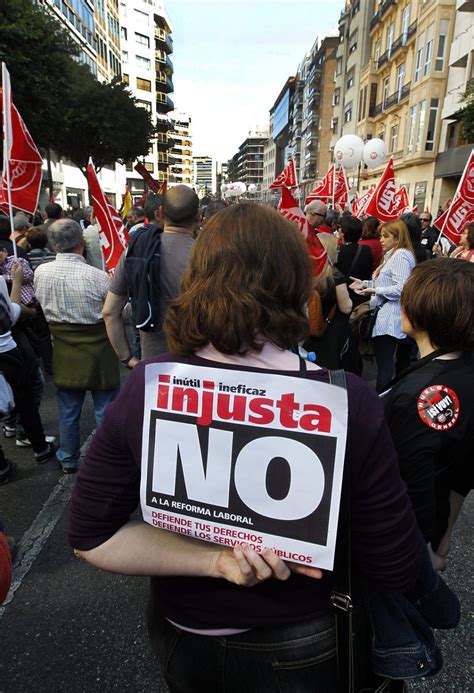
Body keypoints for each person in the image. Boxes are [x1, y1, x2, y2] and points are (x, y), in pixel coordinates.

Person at [70, 203, 423, 693]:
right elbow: (396, 563)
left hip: (185, 636)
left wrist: (212, 560)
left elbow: (91, 538)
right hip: (304, 640)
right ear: (296, 284)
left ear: (197, 278)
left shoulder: (148, 386)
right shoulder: (347, 401)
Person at [382, 258, 474, 571]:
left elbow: (412, 487)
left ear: (424, 310)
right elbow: (463, 471)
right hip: (434, 530)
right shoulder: (464, 367)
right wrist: (444, 539)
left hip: (404, 545)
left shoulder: (419, 396)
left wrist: (426, 553)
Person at [34, 219, 119, 473]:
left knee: (68, 410)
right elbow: (117, 313)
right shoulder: (98, 277)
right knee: (105, 410)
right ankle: (106, 460)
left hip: (63, 350)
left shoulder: (41, 273)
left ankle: (69, 458)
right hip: (99, 353)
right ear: (81, 243)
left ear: (53, 244)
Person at [103, 186, 198, 363]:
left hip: (153, 367)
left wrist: (128, 358)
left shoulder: (137, 251)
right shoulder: (211, 255)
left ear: (160, 213)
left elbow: (110, 312)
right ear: (198, 215)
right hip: (199, 367)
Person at [350, 220, 416, 393]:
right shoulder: (393, 254)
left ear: (397, 238)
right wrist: (365, 284)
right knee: (387, 365)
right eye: (381, 236)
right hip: (388, 315)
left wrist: (374, 289)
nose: (381, 240)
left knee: (385, 367)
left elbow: (402, 288)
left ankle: (383, 401)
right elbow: (385, 282)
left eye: (386, 236)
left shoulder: (400, 255)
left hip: (391, 318)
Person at [0, 264, 56, 465]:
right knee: (26, 399)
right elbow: (12, 316)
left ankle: (2, 463)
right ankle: (40, 448)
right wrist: (15, 282)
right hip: (7, 351)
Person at [304, 233, 361, 374]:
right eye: (337, 249)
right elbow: (346, 307)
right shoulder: (335, 275)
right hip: (332, 334)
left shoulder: (303, 273)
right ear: (329, 251)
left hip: (305, 332)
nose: (339, 252)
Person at [335, 215, 373, 306]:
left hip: (342, 297)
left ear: (343, 232)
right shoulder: (366, 250)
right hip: (361, 296)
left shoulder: (338, 251)